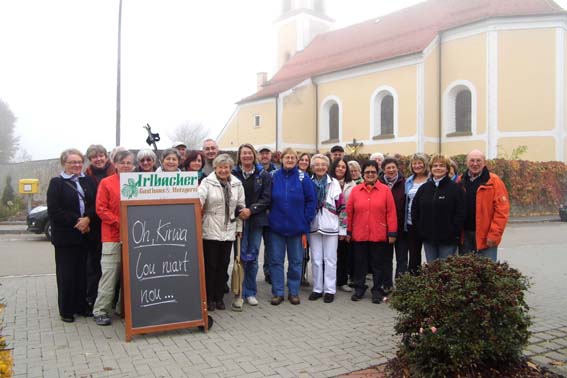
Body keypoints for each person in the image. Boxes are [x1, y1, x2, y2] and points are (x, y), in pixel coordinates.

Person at [47, 148, 97, 322]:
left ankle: (82, 306)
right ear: (64, 164)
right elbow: (55, 211)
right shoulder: (57, 183)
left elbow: (95, 203)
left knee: (83, 273)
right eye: (72, 162)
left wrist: (88, 219)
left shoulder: (88, 181)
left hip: (85, 235)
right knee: (66, 274)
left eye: (79, 162)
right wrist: (79, 221)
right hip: (66, 237)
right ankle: (66, 310)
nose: (76, 165)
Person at [92, 150, 135, 326]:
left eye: (129, 163)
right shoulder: (106, 182)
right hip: (112, 236)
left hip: (134, 236)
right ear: (115, 165)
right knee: (110, 276)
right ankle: (100, 310)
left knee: (131, 275)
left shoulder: (137, 182)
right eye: (122, 162)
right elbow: (101, 209)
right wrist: (120, 222)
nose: (126, 165)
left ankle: (123, 308)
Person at [268, 148, 316, 305]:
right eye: (287, 157)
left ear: (296, 160)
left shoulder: (304, 178)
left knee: (296, 261)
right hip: (276, 228)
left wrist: (305, 220)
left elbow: (311, 201)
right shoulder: (273, 176)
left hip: (297, 228)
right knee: (276, 261)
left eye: (292, 157)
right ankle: (278, 292)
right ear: (281, 159)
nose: (289, 160)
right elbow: (266, 198)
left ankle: (294, 292)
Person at [198, 154, 245, 311]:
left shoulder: (237, 184)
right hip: (210, 229)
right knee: (210, 265)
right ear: (215, 168)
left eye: (227, 167)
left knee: (223, 265)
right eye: (220, 167)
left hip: (229, 231)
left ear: (230, 169)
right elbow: (199, 200)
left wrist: (239, 228)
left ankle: (219, 298)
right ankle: (209, 298)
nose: (224, 170)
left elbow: (240, 206)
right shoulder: (207, 182)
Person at [346, 160, 397, 304]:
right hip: (359, 233)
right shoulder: (356, 190)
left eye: (373, 172)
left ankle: (377, 290)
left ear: (377, 173)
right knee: (360, 263)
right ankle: (359, 288)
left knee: (377, 264)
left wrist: (392, 232)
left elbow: (391, 212)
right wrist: (349, 231)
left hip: (378, 233)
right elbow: (349, 212)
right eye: (367, 172)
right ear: (363, 174)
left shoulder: (385, 190)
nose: (370, 174)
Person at [231, 144, 272, 311]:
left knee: (252, 257)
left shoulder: (263, 175)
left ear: (253, 155)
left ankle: (250, 292)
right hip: (238, 220)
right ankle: (238, 292)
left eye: (249, 153)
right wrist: (240, 211)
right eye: (243, 153)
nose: (246, 156)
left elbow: (267, 198)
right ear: (239, 156)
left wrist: (251, 210)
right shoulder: (233, 174)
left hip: (256, 221)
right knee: (240, 257)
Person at [411, 154, 466, 262]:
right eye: (435, 165)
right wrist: (420, 229)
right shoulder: (424, 188)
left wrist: (453, 230)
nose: (438, 168)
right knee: (432, 268)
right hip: (428, 239)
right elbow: (415, 210)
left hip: (448, 239)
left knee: (445, 270)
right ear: (431, 169)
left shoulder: (455, 188)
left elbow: (461, 212)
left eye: (442, 165)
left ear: (447, 169)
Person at [458, 149, 510, 261]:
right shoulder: (460, 180)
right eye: (472, 160)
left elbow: (502, 211)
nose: (475, 164)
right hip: (464, 236)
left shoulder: (494, 181)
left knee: (486, 272)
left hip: (486, 236)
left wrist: (494, 235)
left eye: (478, 161)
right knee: (465, 272)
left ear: (484, 162)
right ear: (467, 162)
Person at [308, 154, 344, 303]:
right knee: (316, 259)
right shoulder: (308, 182)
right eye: (317, 164)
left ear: (327, 167)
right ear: (312, 167)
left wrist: (343, 229)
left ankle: (329, 290)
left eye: (323, 164)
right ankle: (317, 288)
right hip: (314, 225)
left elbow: (342, 207)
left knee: (330, 260)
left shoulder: (334, 183)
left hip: (331, 226)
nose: (320, 167)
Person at [84, 144, 115, 312]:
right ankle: (93, 300)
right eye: (94, 157)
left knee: (111, 268)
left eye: (101, 155)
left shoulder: (116, 174)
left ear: (107, 156)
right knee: (94, 266)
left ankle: (111, 301)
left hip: (113, 227)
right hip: (95, 227)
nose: (99, 159)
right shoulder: (85, 177)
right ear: (90, 160)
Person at [330, 158, 356, 293]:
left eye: (343, 167)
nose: (340, 169)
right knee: (329, 255)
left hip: (345, 223)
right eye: (338, 166)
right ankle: (329, 281)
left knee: (343, 254)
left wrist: (346, 228)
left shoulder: (352, 184)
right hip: (329, 222)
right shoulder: (327, 181)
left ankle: (342, 281)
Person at [380, 157, 407, 286]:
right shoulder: (379, 183)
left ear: (397, 168)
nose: (391, 170)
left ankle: (401, 285)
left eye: (393, 167)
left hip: (401, 227)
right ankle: (387, 285)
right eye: (388, 168)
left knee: (402, 259)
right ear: (383, 170)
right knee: (386, 259)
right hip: (384, 228)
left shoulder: (405, 183)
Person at [404, 153, 429, 275]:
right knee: (414, 255)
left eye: (420, 163)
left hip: (427, 222)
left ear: (425, 164)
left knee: (431, 254)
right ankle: (414, 281)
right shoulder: (409, 181)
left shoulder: (431, 179)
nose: (417, 165)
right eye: (414, 163)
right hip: (411, 222)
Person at [258, 145, 278, 285]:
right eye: (262, 153)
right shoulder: (255, 170)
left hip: (271, 214)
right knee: (253, 246)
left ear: (271, 155)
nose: (264, 156)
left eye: (267, 153)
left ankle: (269, 272)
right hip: (256, 214)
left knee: (270, 246)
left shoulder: (277, 171)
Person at [297, 151, 312, 286]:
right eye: (302, 159)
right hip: (299, 218)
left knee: (307, 250)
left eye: (306, 160)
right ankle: (300, 276)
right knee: (301, 249)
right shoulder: (296, 176)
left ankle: (304, 274)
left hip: (311, 217)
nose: (304, 162)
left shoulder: (311, 176)